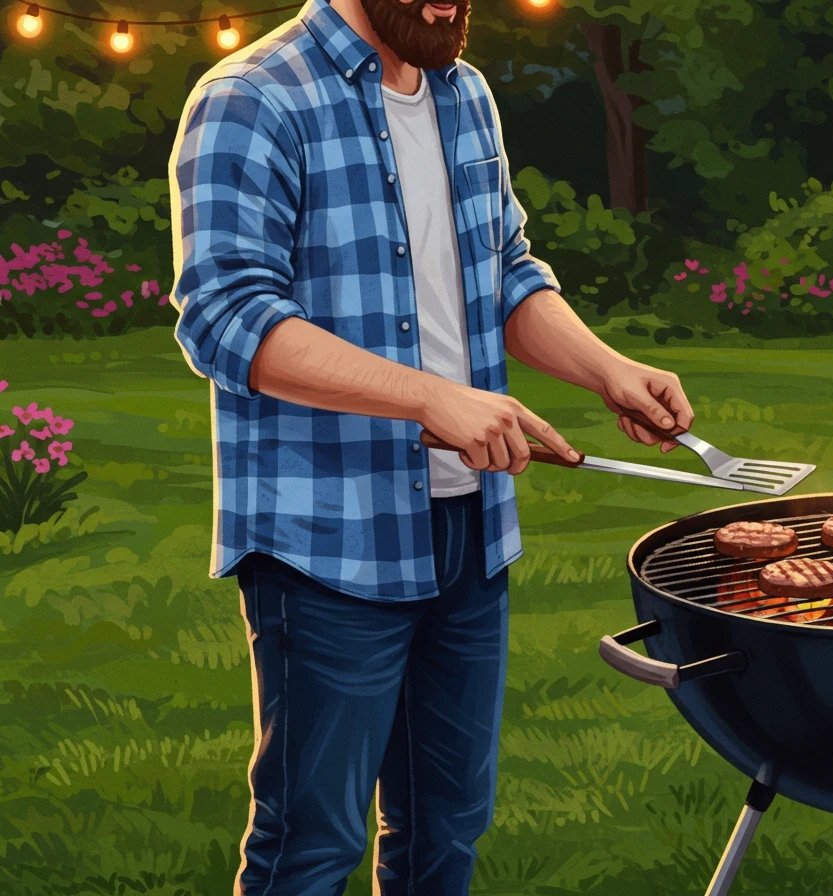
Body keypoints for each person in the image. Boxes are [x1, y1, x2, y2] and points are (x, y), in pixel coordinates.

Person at [167, 0, 694, 893]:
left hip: (468, 537)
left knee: (444, 836)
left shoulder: (464, 92)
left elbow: (506, 270)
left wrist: (606, 369)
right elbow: (227, 318)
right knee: (309, 848)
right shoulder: (253, 96)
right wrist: (429, 399)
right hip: (327, 544)